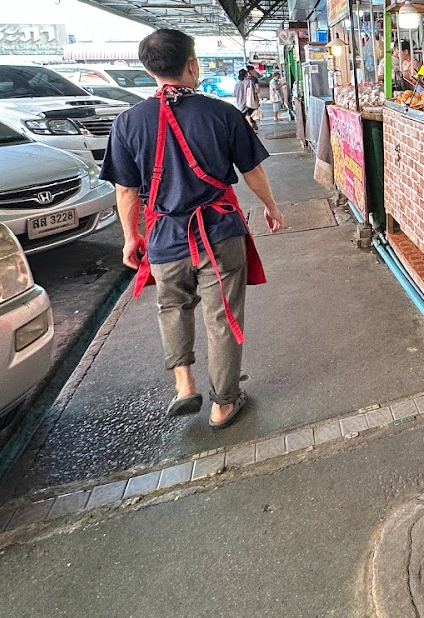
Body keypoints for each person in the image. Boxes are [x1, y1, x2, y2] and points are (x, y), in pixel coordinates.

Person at [101, 29, 286, 429]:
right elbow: (251, 171)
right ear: (192, 64)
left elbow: (126, 189)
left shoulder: (127, 123)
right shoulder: (222, 113)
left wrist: (131, 236)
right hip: (219, 232)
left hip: (165, 237)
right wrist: (271, 206)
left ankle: (184, 385)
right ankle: (224, 403)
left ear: (149, 69)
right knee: (221, 317)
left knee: (172, 308)